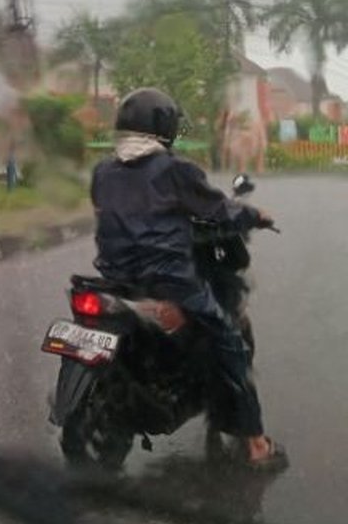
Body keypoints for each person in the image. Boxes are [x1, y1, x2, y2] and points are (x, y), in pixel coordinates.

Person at [89, 87, 287, 471]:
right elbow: (219, 210)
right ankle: (257, 445)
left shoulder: (103, 171)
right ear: (166, 128)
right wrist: (255, 215)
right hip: (169, 283)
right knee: (229, 340)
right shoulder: (175, 171)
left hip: (114, 281)